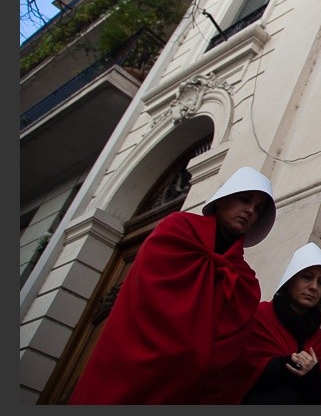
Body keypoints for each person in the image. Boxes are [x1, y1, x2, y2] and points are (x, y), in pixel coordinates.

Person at [69, 166, 277, 404]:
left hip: (186, 390)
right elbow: (147, 300)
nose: (250, 210)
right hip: (131, 368)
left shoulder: (245, 281)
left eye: (258, 209)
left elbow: (230, 349)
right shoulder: (176, 230)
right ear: (223, 199)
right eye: (245, 199)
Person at [240, 242, 321, 404]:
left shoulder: (319, 341)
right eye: (307, 277)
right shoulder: (259, 317)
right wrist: (285, 365)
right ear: (291, 279)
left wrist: (313, 377)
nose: (314, 287)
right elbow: (236, 372)